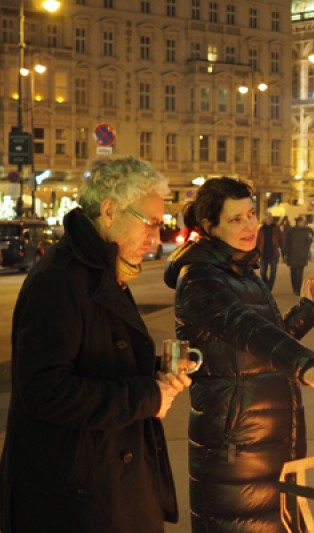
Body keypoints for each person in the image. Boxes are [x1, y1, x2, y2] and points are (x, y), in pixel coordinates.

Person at [0, 156, 190, 532]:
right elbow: (44, 390)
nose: (156, 238)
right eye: (150, 223)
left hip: (101, 487)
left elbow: (98, 359)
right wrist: (147, 397)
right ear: (109, 210)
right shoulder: (60, 280)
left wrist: (155, 375)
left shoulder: (102, 270)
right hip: (72, 501)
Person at [163, 177, 314, 532]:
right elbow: (246, 328)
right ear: (211, 227)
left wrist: (304, 312)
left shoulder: (243, 272)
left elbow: (260, 345)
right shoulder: (199, 280)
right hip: (234, 453)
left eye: (251, 214)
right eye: (236, 219)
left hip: (268, 442)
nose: (250, 225)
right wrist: (306, 367)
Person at [284, 215, 314, 295]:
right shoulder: (291, 231)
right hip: (292, 255)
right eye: (301, 222)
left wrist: (306, 251)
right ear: (297, 222)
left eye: (303, 222)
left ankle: (298, 289)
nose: (302, 223)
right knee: (293, 272)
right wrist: (285, 254)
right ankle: (295, 288)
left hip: (301, 255)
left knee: (299, 273)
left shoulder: (307, 231)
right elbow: (287, 243)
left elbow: (310, 240)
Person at [256, 211, 282, 289]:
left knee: (273, 272)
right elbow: (257, 241)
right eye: (267, 217)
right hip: (263, 254)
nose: (269, 219)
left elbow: (280, 239)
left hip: (273, 253)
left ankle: (269, 288)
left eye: (270, 217)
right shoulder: (261, 229)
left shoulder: (276, 228)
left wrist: (283, 252)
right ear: (265, 219)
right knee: (263, 273)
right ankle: (266, 285)